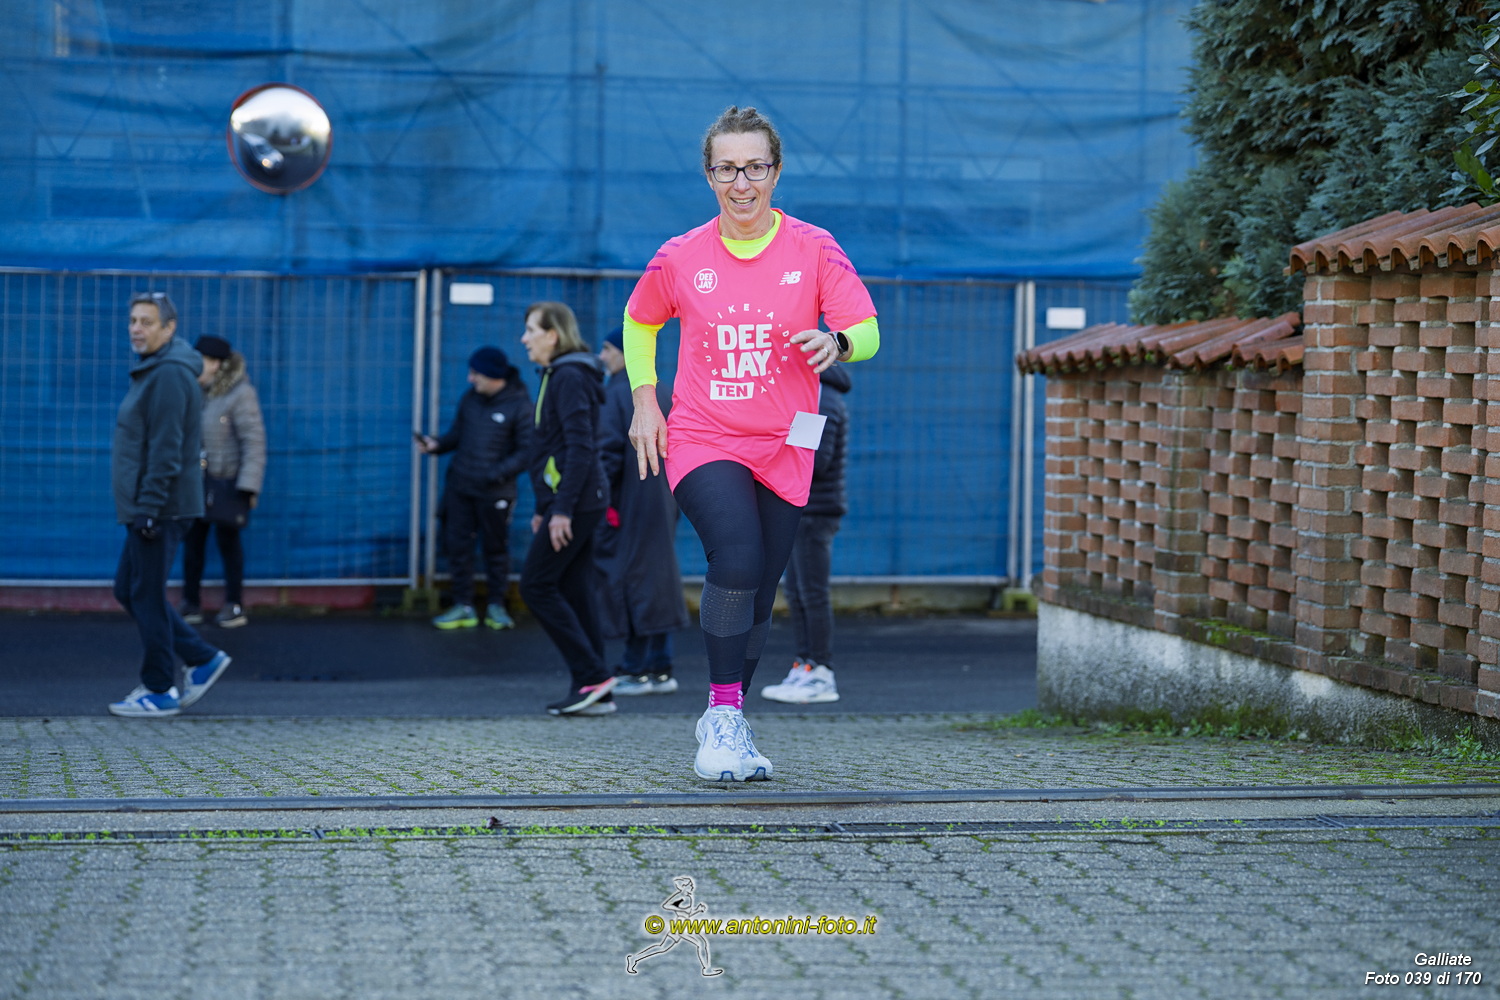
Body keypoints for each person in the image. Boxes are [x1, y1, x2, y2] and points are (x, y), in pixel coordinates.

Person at [622, 105, 880, 781]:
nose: (742, 183)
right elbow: (640, 320)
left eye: (755, 168)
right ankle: (721, 715)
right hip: (704, 435)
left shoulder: (814, 247)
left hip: (786, 442)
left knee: (762, 588)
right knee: (736, 557)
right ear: (709, 176)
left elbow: (867, 328)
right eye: (727, 169)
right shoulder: (681, 255)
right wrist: (646, 400)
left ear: (777, 171)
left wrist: (838, 340)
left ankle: (730, 718)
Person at [108, 292, 232, 717]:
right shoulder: (156, 369)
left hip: (162, 506)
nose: (136, 329)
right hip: (151, 504)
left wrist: (148, 506)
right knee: (130, 589)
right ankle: (202, 658)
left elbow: (167, 449)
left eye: (146, 322)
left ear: (169, 327)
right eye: (133, 320)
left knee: (145, 594)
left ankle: (159, 689)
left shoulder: (169, 374)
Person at [516, 302, 613, 715]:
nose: (524, 339)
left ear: (552, 335)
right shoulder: (557, 374)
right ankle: (596, 690)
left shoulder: (569, 376)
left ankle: (592, 675)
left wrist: (562, 511)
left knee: (535, 585)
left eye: (531, 330)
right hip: (573, 501)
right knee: (575, 588)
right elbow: (550, 448)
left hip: (578, 502)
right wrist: (547, 505)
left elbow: (580, 447)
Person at [595, 326, 689, 695]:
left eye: (608, 349)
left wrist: (605, 503)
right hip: (665, 498)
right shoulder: (665, 392)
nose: (603, 357)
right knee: (658, 577)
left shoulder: (618, 393)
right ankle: (660, 666)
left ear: (625, 352)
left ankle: (635, 668)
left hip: (628, 502)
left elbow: (606, 455)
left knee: (631, 579)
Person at [417, 346, 533, 630]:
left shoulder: (520, 405)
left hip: (496, 494)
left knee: (496, 549)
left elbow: (527, 452)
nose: (470, 379)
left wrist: (494, 474)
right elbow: (457, 434)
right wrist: (436, 445)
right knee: (458, 548)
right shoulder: (470, 398)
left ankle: (496, 606)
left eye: (475, 373)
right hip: (460, 488)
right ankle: (463, 606)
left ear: (493, 375)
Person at [762, 364, 851, 704]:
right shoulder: (813, 394)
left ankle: (821, 672)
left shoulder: (822, 397)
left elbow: (816, 460)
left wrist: (777, 451)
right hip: (802, 508)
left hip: (815, 512)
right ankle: (805, 665)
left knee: (812, 593)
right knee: (798, 592)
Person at [179, 335, 266, 629]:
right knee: (192, 543)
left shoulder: (240, 394)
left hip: (228, 483)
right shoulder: (193, 391)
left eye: (200, 361)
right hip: (195, 482)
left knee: (229, 544)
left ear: (216, 364)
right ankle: (190, 603)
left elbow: (253, 441)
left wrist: (248, 487)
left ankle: (234, 604)